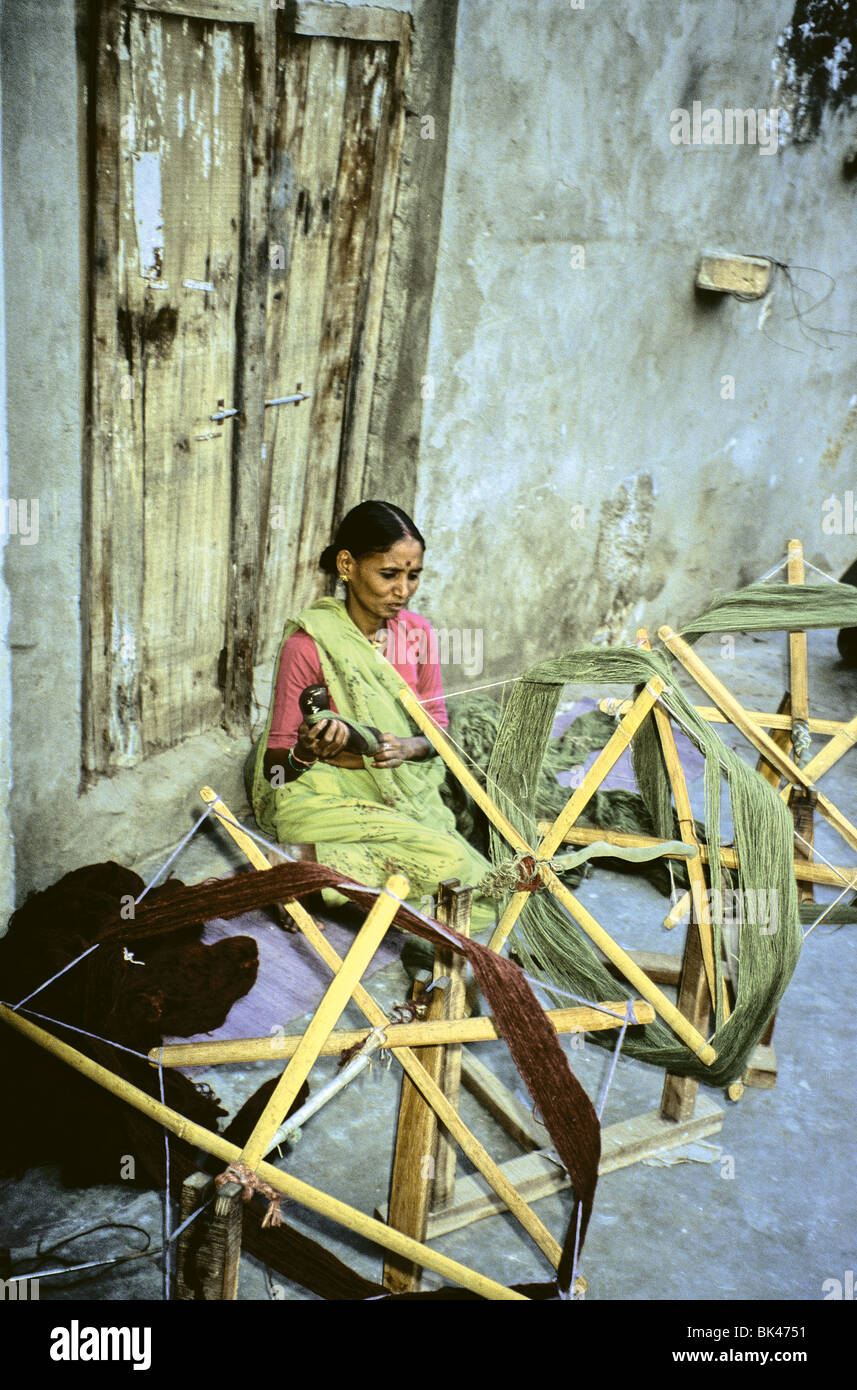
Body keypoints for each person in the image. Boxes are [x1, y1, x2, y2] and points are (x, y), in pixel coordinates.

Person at [249, 500, 496, 933]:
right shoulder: (308, 646)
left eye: (413, 575)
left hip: (402, 792)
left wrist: (407, 747)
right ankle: (309, 865)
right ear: (347, 565)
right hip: (323, 795)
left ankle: (303, 865)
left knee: (476, 881)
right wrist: (306, 752)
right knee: (452, 867)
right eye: (389, 574)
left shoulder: (416, 634)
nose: (403, 590)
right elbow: (275, 770)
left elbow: (437, 725)